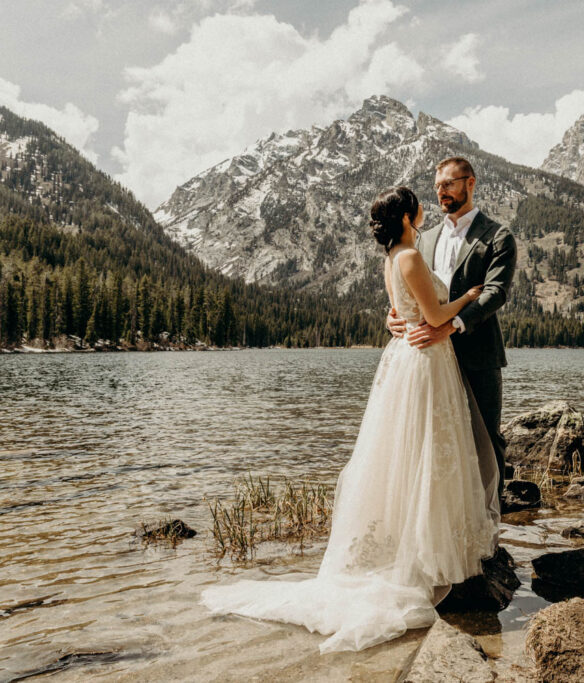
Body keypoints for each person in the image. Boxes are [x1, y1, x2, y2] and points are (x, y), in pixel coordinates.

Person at [201, 186, 501, 654]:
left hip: (411, 357)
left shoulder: (394, 257)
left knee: (413, 455)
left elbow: (403, 312)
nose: (426, 205)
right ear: (406, 216)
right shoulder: (409, 258)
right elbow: (434, 312)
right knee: (426, 453)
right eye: (418, 203)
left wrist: (407, 319)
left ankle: (416, 545)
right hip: (424, 363)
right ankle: (426, 556)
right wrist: (468, 297)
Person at [388, 157, 517, 502]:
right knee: (432, 441)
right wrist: (394, 316)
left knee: (486, 441)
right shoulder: (423, 239)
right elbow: (410, 284)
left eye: (448, 184)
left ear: (470, 183)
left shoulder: (497, 236)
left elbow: (495, 292)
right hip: (429, 358)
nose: (441, 192)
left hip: (479, 354)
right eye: (437, 187)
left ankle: (489, 533)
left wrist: (452, 326)